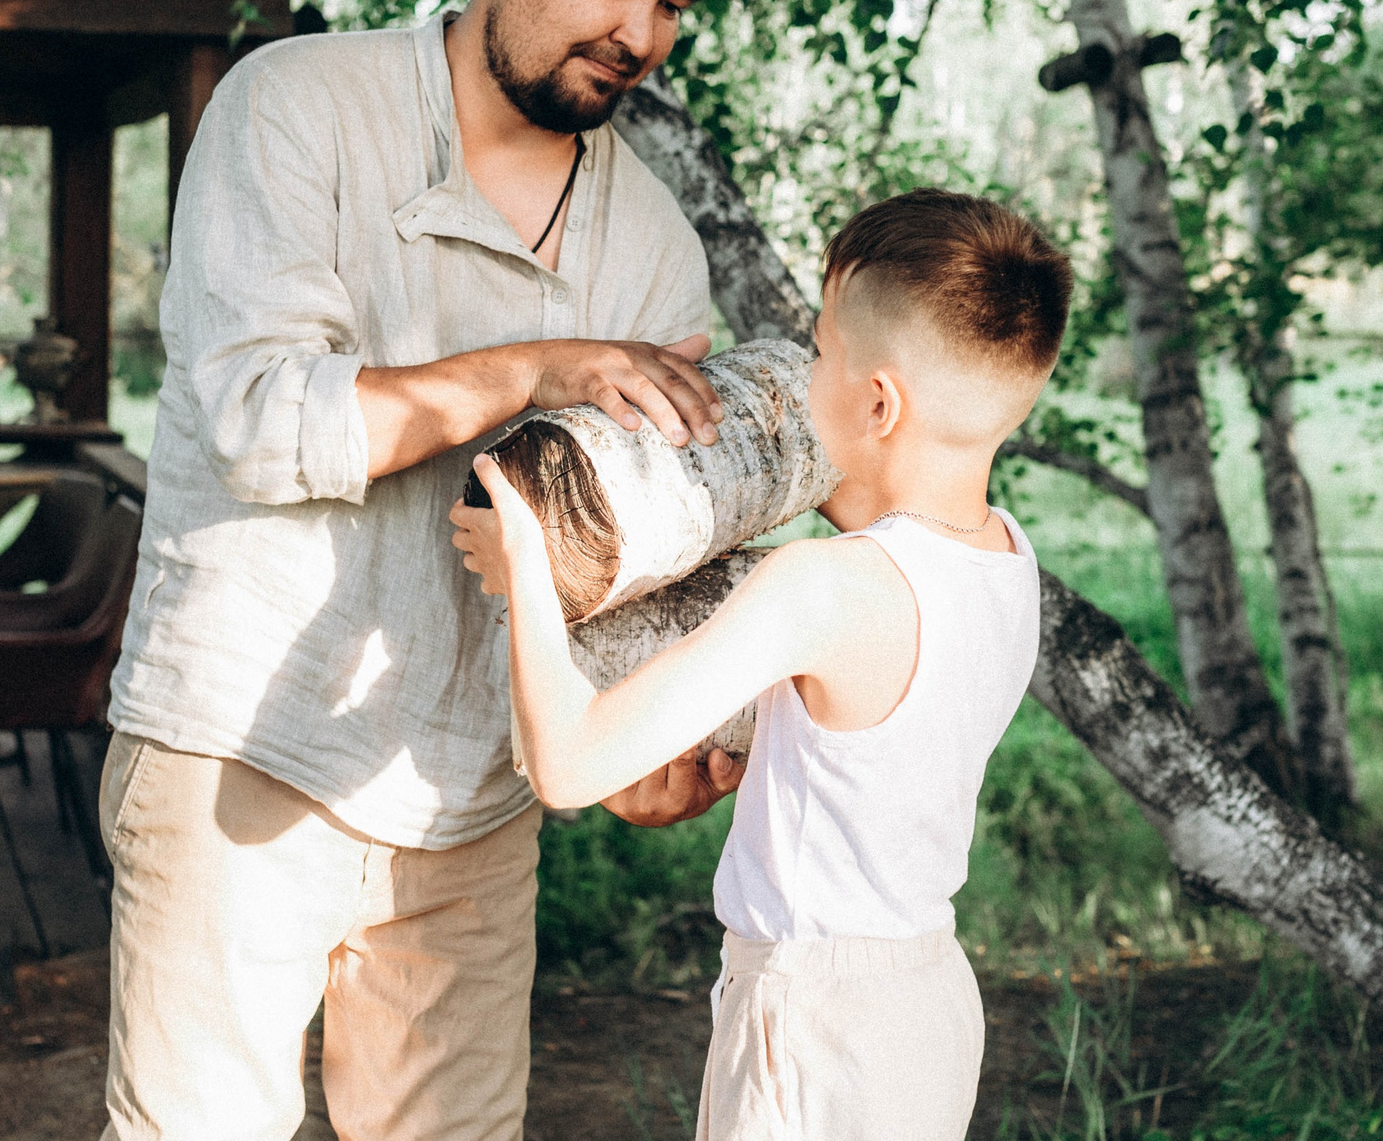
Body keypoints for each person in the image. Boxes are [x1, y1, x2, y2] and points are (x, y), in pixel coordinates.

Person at [100, 0, 743, 1140]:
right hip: (245, 748)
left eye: (674, 2)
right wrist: (535, 366)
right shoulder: (294, 105)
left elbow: (631, 538)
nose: (643, 35)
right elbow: (262, 421)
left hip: (478, 788)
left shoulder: (657, 246)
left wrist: (638, 724)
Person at [453, 189, 1070, 1141]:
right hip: (927, 1003)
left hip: (808, 1017)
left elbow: (568, 763)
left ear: (877, 400)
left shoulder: (823, 591)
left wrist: (534, 555)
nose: (802, 368)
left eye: (820, 349)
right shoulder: (1007, 559)